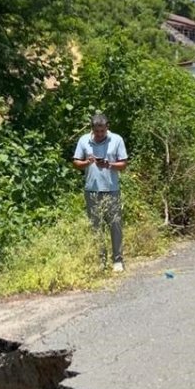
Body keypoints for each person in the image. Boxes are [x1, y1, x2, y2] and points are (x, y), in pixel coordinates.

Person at [72, 114, 130, 272]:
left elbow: (123, 164)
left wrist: (109, 164)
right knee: (95, 226)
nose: (99, 134)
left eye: (102, 131)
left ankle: (117, 260)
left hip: (112, 189)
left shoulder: (116, 140)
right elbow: (76, 162)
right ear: (92, 129)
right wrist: (87, 162)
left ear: (107, 128)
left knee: (115, 225)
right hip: (92, 190)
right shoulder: (84, 140)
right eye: (97, 131)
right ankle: (100, 260)